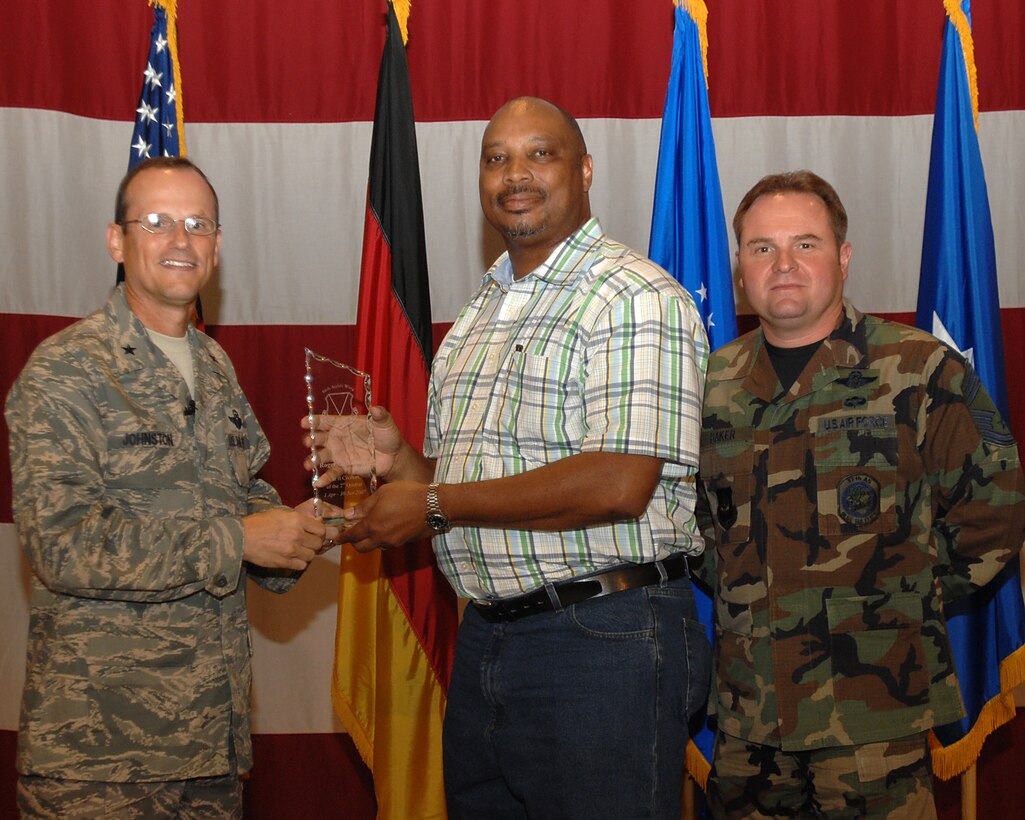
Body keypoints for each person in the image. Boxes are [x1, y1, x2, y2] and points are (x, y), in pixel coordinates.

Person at [305, 96, 711, 819]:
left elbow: (617, 482)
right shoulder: (478, 315)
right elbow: (473, 488)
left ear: (584, 170)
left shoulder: (632, 296)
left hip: (604, 642)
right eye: (496, 159)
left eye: (538, 154)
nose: (513, 174)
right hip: (490, 639)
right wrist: (402, 464)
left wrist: (431, 503)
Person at [5, 156, 338, 818]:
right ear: (116, 241)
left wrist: (318, 523)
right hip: (100, 762)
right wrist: (238, 538)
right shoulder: (66, 372)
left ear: (217, 244)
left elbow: (246, 506)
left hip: (211, 752)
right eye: (156, 222)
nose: (180, 241)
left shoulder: (213, 367)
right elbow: (63, 546)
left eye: (197, 223)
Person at [697, 170, 1025, 818]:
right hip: (748, 722)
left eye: (805, 244)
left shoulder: (919, 368)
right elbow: (698, 530)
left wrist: (891, 603)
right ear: (739, 267)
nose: (783, 265)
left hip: (874, 716)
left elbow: (993, 517)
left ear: (842, 257)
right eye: (761, 248)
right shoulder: (711, 384)